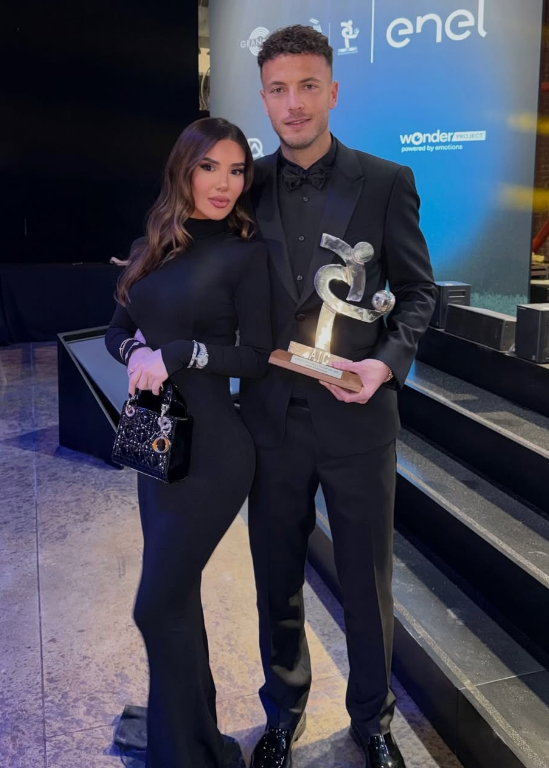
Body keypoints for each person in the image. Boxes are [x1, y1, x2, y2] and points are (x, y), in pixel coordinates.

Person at [240, 26, 437, 768]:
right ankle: (282, 713)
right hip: (268, 418)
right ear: (264, 98)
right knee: (275, 579)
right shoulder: (243, 186)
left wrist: (385, 365)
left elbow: (417, 292)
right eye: (279, 89)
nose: (293, 103)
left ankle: (373, 721)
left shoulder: (384, 181)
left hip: (358, 418)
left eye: (307, 86)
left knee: (366, 580)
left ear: (332, 91)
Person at [105, 117, 271, 768]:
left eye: (236, 171)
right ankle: (190, 740)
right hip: (156, 441)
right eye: (209, 168)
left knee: (156, 607)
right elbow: (116, 328)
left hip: (215, 454)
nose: (224, 184)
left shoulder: (246, 253)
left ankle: (184, 752)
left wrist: (178, 352)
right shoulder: (152, 245)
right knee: (178, 602)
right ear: (184, 169)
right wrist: (137, 353)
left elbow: (256, 357)